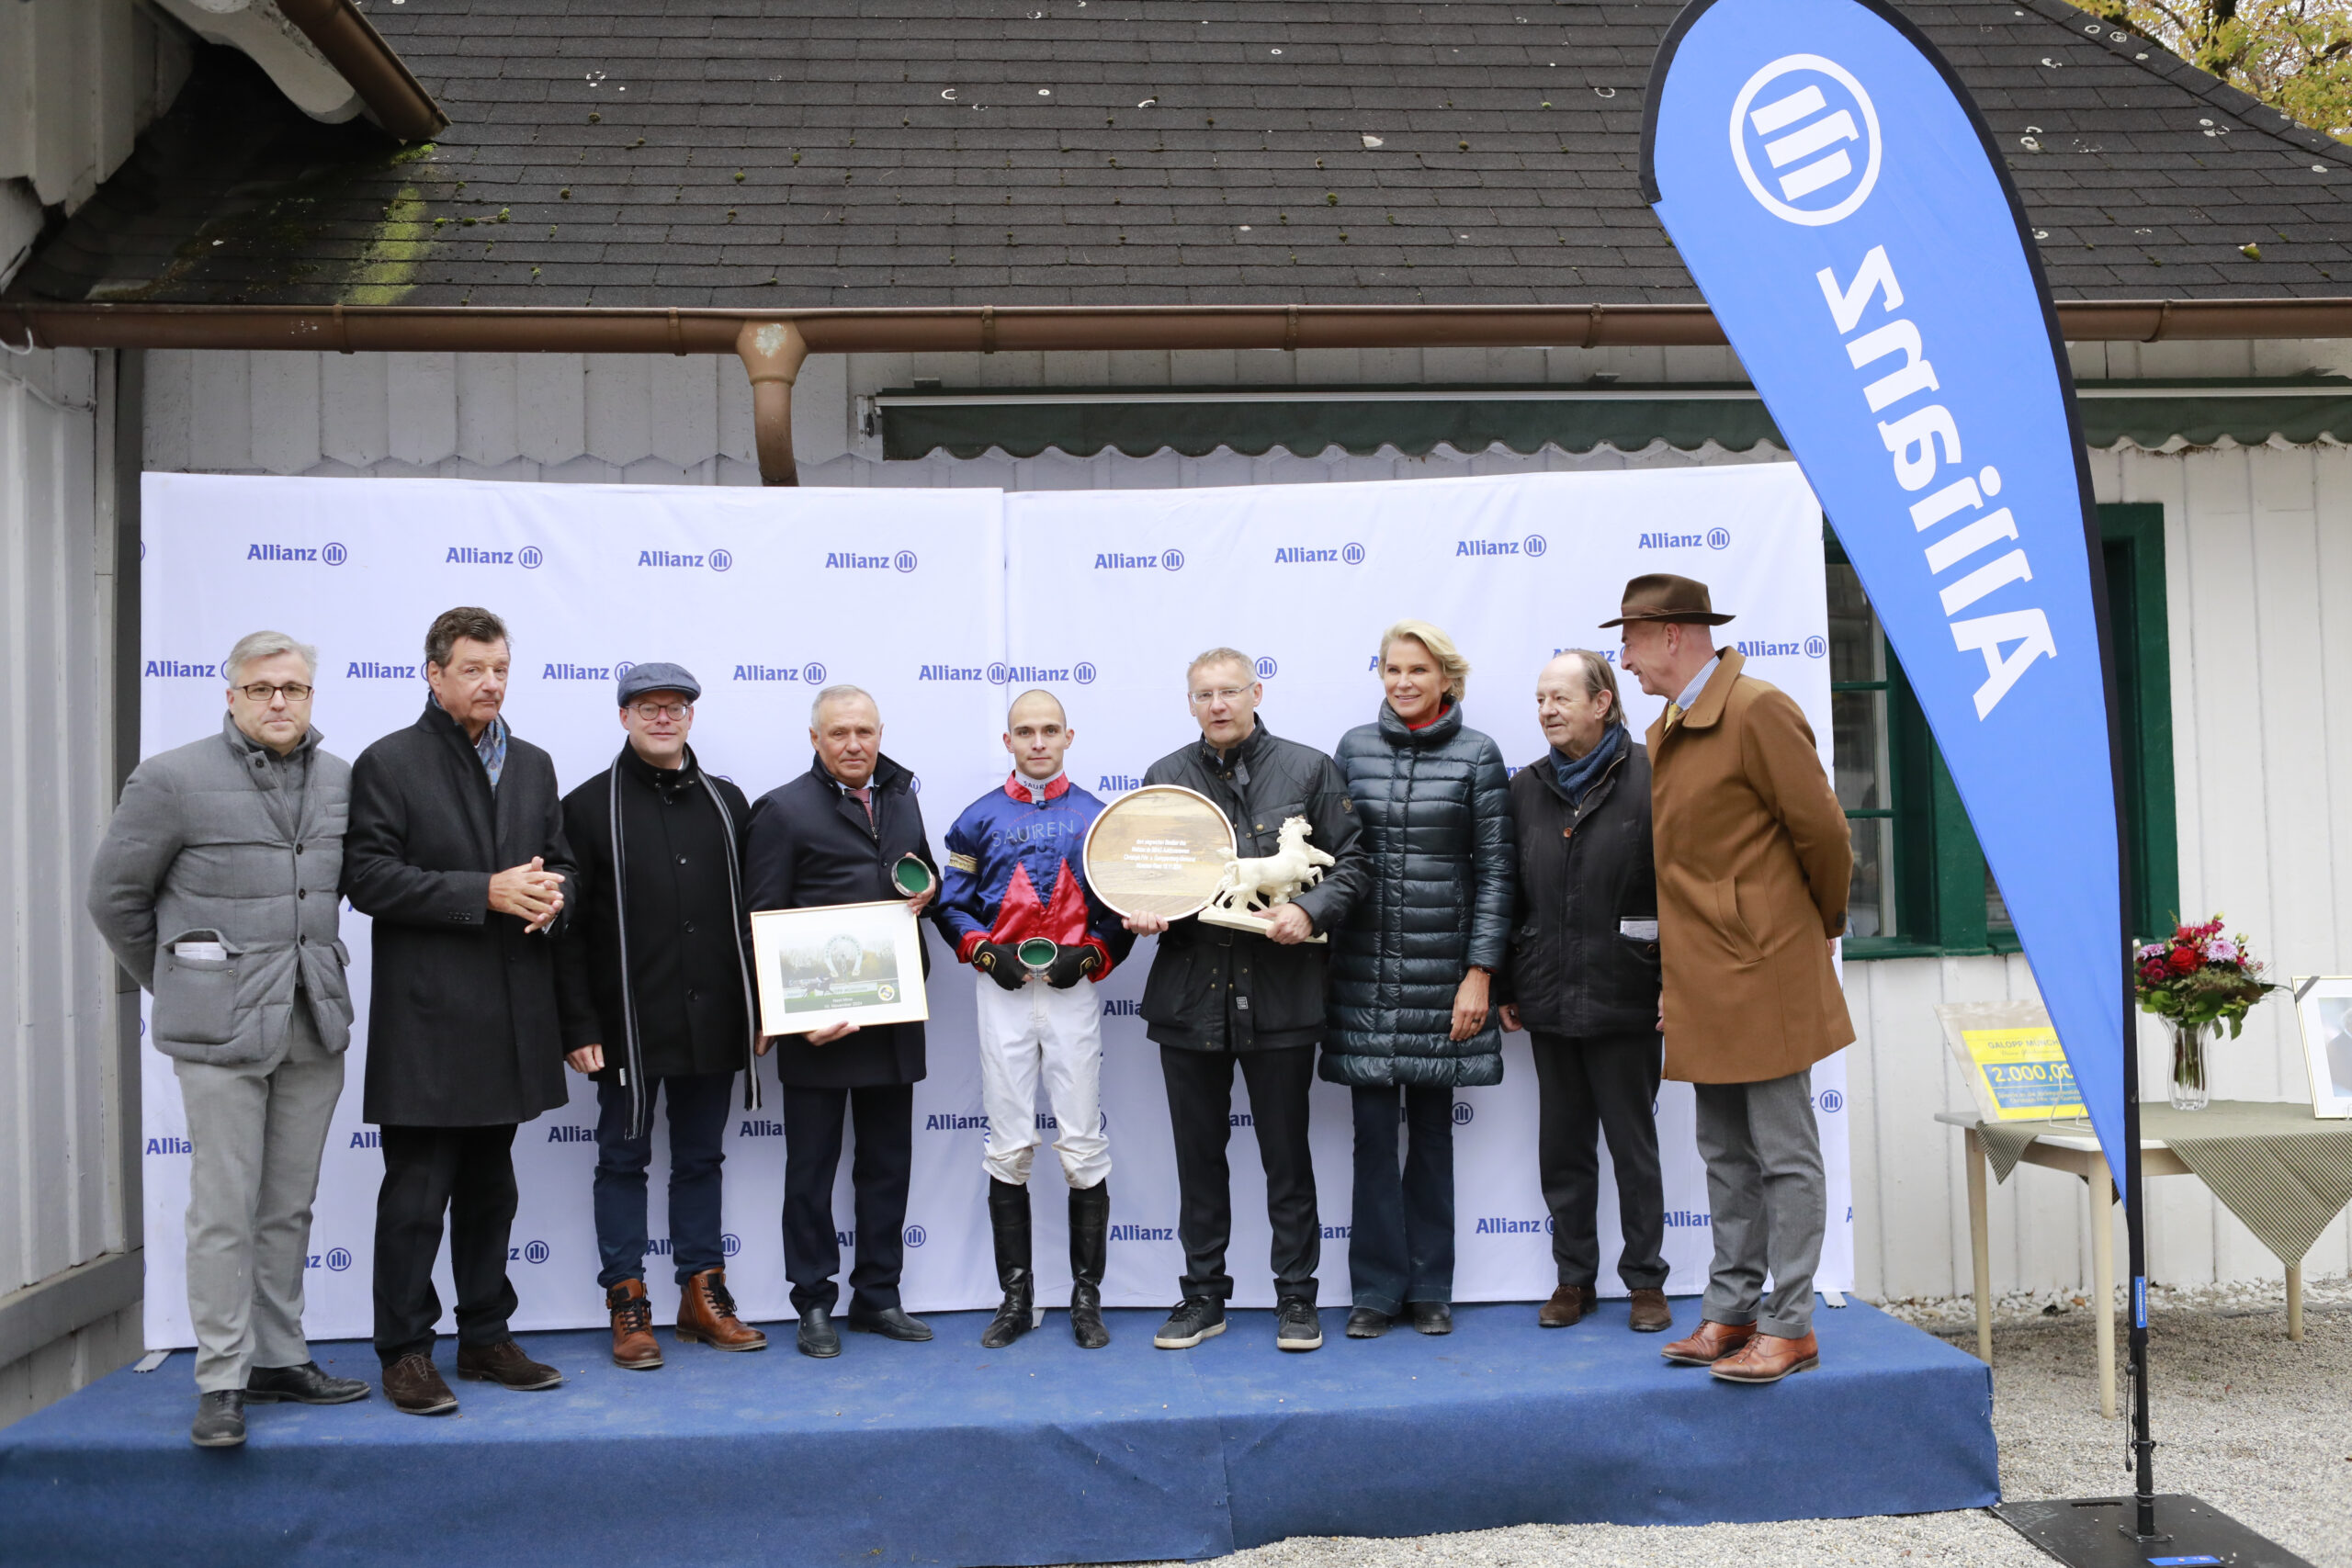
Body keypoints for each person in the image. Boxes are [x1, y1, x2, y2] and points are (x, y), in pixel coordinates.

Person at [87, 631, 368, 1449]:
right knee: (222, 1209)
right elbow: (115, 900)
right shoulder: (172, 778)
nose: (279, 701)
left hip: (313, 1021)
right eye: (262, 688)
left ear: (312, 696)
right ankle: (221, 1376)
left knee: (288, 1203)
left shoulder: (341, 778)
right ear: (231, 696)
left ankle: (280, 1357)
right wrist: (183, 984)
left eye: (294, 688)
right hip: (218, 1036)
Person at [1609, 574, 1853, 1384]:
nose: (1626, 657)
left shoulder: (1757, 708)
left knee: (1784, 1150)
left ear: (1674, 634)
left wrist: (1812, 929)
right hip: (1703, 969)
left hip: (1767, 964)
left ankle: (1792, 1324)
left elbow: (1824, 834)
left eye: (1633, 639)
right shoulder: (1666, 725)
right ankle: (1731, 1309)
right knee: (1722, 1150)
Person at [343, 606, 577, 1416]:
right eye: (474, 669)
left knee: (491, 1192)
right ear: (434, 673)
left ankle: (484, 1337)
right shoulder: (388, 762)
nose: (491, 683)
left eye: (502, 668)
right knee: (415, 1201)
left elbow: (565, 863)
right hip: (429, 1025)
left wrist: (554, 899)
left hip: (512, 1018)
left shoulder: (537, 764)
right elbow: (368, 877)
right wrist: (484, 892)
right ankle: (405, 1352)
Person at [1125, 648, 1367, 1354]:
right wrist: (1143, 910)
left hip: (1282, 997)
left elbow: (1352, 863)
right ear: (1190, 701)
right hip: (1188, 997)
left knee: (1286, 1156)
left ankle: (1297, 1298)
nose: (1218, 703)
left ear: (1257, 691)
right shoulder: (1164, 780)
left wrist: (1312, 910)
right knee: (1197, 1159)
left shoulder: (1310, 768)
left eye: (1230, 690)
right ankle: (1203, 1297)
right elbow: (1140, 875)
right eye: (1204, 693)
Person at [557, 662, 767, 1369]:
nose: (662, 717)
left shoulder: (727, 802)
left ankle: (702, 1294)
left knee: (701, 1157)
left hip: (715, 1016)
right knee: (622, 1159)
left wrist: (763, 1007)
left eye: (674, 706)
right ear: (623, 717)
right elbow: (570, 930)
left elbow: (753, 918)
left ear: (690, 717)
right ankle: (628, 1302)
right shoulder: (587, 807)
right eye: (647, 706)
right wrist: (579, 1024)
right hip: (626, 1025)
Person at [1323, 621, 1513, 1339]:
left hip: (1445, 981)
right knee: (1372, 1137)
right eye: (1391, 668)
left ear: (1446, 679)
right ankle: (1375, 1290)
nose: (1402, 681)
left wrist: (1479, 975)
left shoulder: (1478, 754)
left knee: (1433, 1137)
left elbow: (1497, 875)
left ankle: (1432, 1286)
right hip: (1364, 977)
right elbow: (1337, 859)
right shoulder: (1353, 748)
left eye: (1417, 670)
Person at [744, 684, 939, 1358]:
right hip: (818, 1026)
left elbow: (924, 875)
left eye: (864, 731)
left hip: (893, 1013)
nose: (853, 744)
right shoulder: (782, 809)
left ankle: (879, 1296)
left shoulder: (903, 795)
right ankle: (814, 1302)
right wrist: (791, 1018)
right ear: (815, 739)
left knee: (887, 1164)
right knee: (812, 1170)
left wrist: (929, 890)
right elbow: (760, 921)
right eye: (839, 734)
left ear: (879, 732)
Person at [937, 690, 1135, 1350]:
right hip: (1004, 993)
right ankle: (1015, 1299)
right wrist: (983, 950)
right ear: (1008, 741)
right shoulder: (975, 819)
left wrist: (1096, 952)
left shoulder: (1100, 817)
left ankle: (1086, 1300)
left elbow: (1122, 910)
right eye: (1026, 731)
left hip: (1072, 994)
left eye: (1050, 730)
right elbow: (951, 904)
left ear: (1069, 736)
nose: (1039, 741)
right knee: (1008, 1140)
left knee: (1082, 1139)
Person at [1496, 649, 1672, 1335]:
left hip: (1629, 994)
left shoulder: (1653, 776)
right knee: (1563, 1148)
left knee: (1634, 1148)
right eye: (1541, 698)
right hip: (1548, 996)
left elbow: (1676, 890)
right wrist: (1509, 978)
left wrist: (1674, 982)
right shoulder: (1527, 787)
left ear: (1603, 703)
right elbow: (1509, 893)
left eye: (1561, 697)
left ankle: (1646, 1283)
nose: (1547, 709)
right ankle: (1573, 1278)